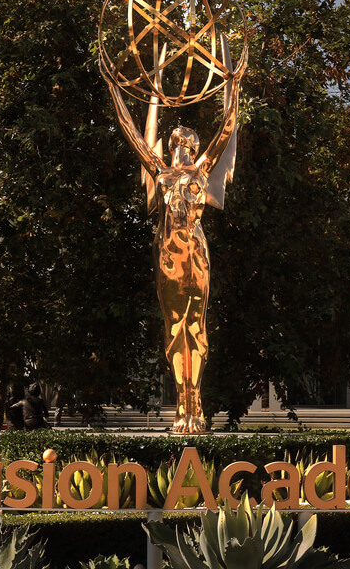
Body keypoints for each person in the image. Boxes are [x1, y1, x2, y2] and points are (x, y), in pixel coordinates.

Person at [101, 35, 244, 434]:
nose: (182, 147)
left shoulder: (201, 173)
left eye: (188, 143)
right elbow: (133, 132)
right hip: (167, 256)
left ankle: (195, 408)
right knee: (172, 331)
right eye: (176, 143)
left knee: (196, 329)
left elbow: (229, 122)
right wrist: (116, 88)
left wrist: (234, 78)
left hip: (195, 254)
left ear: (196, 148)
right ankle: (180, 409)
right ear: (169, 147)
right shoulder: (160, 174)